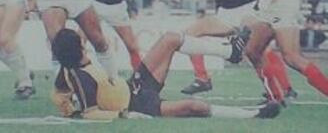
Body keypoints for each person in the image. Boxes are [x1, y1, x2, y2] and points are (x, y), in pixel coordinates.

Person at [51, 28, 280, 119]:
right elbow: (90, 112)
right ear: (76, 47)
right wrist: (124, 116)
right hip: (136, 106)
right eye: (80, 40)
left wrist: (65, 104)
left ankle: (230, 51)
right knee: (193, 107)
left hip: (134, 88)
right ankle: (256, 114)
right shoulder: (79, 75)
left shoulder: (75, 66)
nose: (85, 40)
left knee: (170, 38)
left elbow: (59, 94)